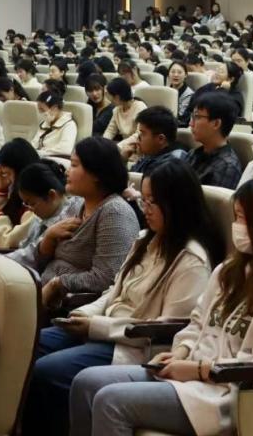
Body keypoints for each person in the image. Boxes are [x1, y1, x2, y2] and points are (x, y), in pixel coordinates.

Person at [70, 176, 253, 436]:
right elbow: (197, 322)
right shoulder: (230, 270)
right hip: (191, 374)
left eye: (242, 218)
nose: (236, 227)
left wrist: (201, 370)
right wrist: (180, 352)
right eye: (235, 218)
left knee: (111, 401)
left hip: (225, 394)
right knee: (86, 382)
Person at [25, 161, 223, 436]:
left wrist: (96, 326)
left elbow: (169, 328)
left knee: (46, 370)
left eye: (154, 202)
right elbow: (113, 291)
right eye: (144, 200)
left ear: (177, 204)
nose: (146, 209)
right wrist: (86, 313)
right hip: (103, 327)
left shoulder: (191, 261)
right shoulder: (145, 240)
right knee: (28, 344)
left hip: (131, 344)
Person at [35, 138, 140, 308]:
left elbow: (107, 278)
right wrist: (48, 238)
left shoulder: (114, 212)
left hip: (72, 309)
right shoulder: (76, 204)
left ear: (96, 174)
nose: (67, 172)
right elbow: (39, 260)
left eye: (74, 165)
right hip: (40, 291)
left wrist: (58, 283)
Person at [8, 161, 84, 272]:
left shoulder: (69, 218)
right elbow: (26, 248)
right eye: (26, 204)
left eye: (32, 203)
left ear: (51, 195)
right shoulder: (40, 218)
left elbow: (32, 255)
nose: (30, 209)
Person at [0, 138, 41, 251]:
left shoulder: (34, 204)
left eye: (9, 174)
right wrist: (0, 190)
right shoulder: (16, 194)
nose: (9, 180)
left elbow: (8, 244)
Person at [186, 92, 242, 190]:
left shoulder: (227, 167)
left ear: (216, 124)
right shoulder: (193, 154)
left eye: (197, 117)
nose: (191, 123)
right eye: (192, 117)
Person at [126, 106, 188, 177]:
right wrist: (123, 159)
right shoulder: (152, 153)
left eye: (143, 133)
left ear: (161, 139)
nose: (138, 138)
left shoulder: (173, 163)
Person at [31, 89, 78, 161]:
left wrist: (40, 153)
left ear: (54, 108)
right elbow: (34, 143)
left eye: (42, 110)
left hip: (55, 161)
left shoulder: (69, 125)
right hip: (39, 158)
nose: (40, 113)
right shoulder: (45, 123)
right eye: (39, 110)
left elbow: (64, 150)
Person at [103, 79, 147, 143]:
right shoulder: (117, 110)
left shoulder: (140, 107)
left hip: (138, 144)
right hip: (124, 144)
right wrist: (103, 143)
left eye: (110, 96)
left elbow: (139, 134)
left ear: (117, 97)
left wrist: (121, 145)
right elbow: (110, 131)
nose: (110, 100)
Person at [166, 61, 194, 126]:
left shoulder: (189, 94)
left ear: (185, 75)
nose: (176, 75)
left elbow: (181, 117)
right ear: (168, 74)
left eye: (179, 72)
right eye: (173, 72)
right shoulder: (165, 91)